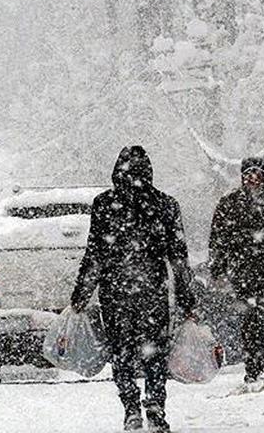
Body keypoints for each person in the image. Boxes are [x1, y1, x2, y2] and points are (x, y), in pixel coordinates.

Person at [71, 146, 196, 433]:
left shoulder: (104, 205)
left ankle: (131, 408)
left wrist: (81, 294)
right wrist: (187, 298)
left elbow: (95, 255)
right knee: (154, 353)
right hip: (152, 291)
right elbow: (178, 257)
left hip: (116, 293)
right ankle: (155, 405)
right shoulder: (165, 204)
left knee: (122, 352)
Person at [209, 157, 264, 383]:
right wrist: (218, 268)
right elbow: (218, 239)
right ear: (242, 176)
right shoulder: (230, 203)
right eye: (248, 173)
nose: (253, 178)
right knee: (251, 322)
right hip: (245, 272)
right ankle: (254, 367)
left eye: (257, 173)